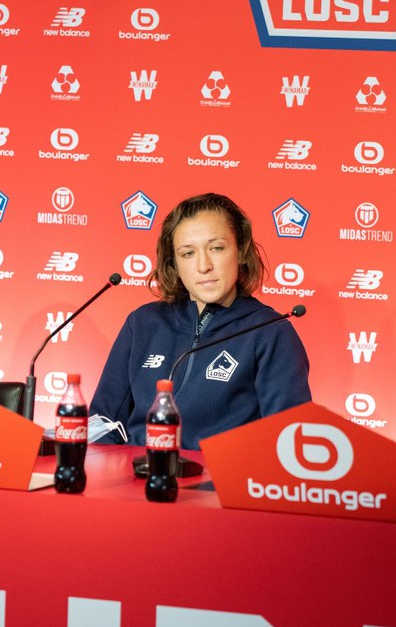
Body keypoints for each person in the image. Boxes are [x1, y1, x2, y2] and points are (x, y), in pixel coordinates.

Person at [89, 193, 312, 450]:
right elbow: (102, 422)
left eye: (216, 248)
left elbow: (287, 441)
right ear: (174, 263)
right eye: (188, 253)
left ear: (240, 252)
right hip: (137, 481)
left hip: (219, 485)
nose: (204, 266)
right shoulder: (143, 323)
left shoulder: (270, 331)